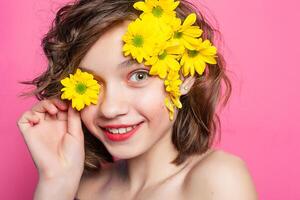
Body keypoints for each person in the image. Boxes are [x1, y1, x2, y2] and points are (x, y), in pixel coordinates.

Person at [17, 0, 258, 199]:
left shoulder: (218, 180)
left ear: (185, 77)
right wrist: (55, 182)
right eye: (93, 84)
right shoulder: (78, 186)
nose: (110, 109)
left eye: (139, 75)